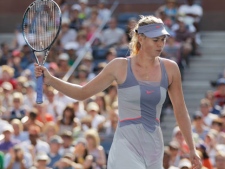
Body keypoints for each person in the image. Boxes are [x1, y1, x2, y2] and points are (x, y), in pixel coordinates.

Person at [35, 15, 201, 169]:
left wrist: (191, 148)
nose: (161, 44)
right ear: (141, 38)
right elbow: (82, 93)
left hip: (154, 146)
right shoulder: (119, 66)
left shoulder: (171, 68)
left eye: (163, 39)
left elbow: (180, 110)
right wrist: (50, 80)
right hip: (125, 144)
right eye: (156, 39)